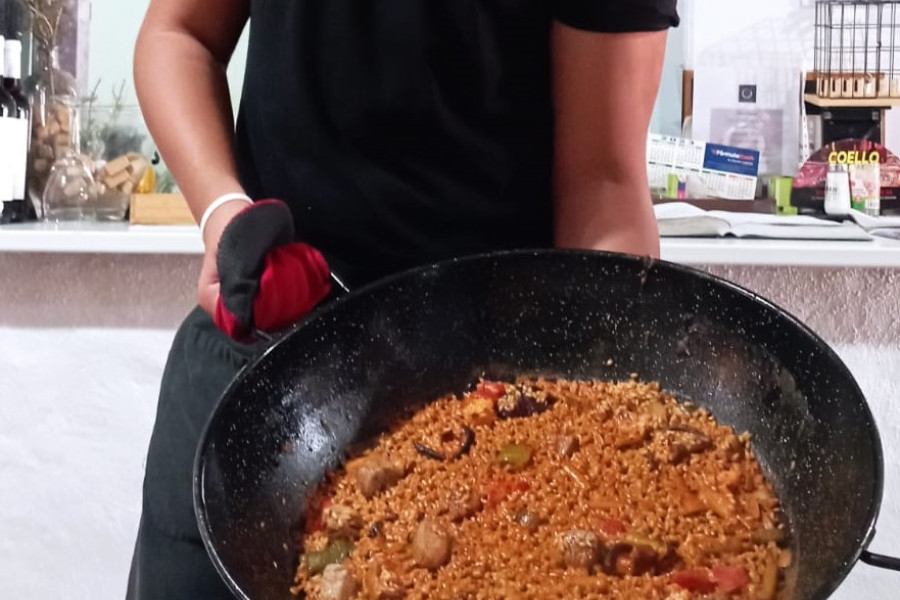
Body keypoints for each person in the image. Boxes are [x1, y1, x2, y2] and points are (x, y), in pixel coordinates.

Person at [126, 0, 678, 597]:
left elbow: (603, 175)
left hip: (492, 388)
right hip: (261, 351)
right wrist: (221, 210)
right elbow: (180, 35)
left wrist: (600, 406)